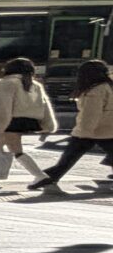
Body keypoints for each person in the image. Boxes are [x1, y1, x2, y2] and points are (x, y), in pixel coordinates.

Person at [37, 58, 113, 191]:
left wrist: (83, 132)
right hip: (107, 130)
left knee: (68, 158)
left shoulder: (94, 91)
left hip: (91, 131)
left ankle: (47, 178)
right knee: (69, 158)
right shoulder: (108, 86)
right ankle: (47, 178)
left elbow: (90, 114)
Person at [0, 57, 57, 186]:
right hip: (29, 121)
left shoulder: (6, 82)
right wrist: (48, 124)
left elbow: (2, 106)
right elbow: (45, 105)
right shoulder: (35, 84)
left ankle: (39, 175)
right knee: (3, 145)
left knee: (8, 147)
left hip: (11, 121)